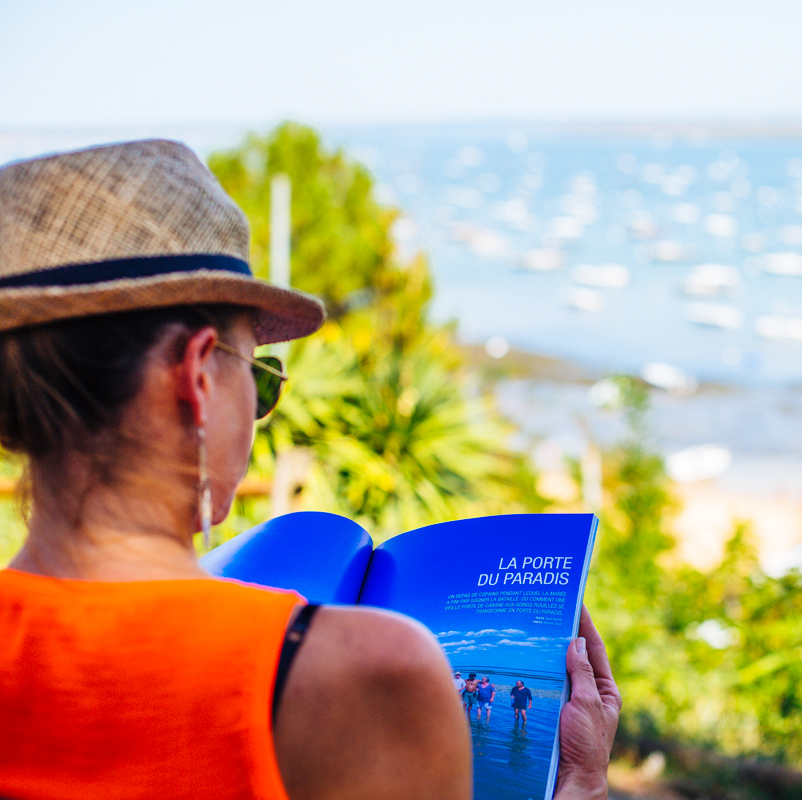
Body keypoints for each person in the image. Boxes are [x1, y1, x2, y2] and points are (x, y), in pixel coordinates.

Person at [0, 140, 621, 800]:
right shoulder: (366, 674)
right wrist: (581, 784)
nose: (260, 407)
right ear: (199, 375)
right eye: (261, 377)